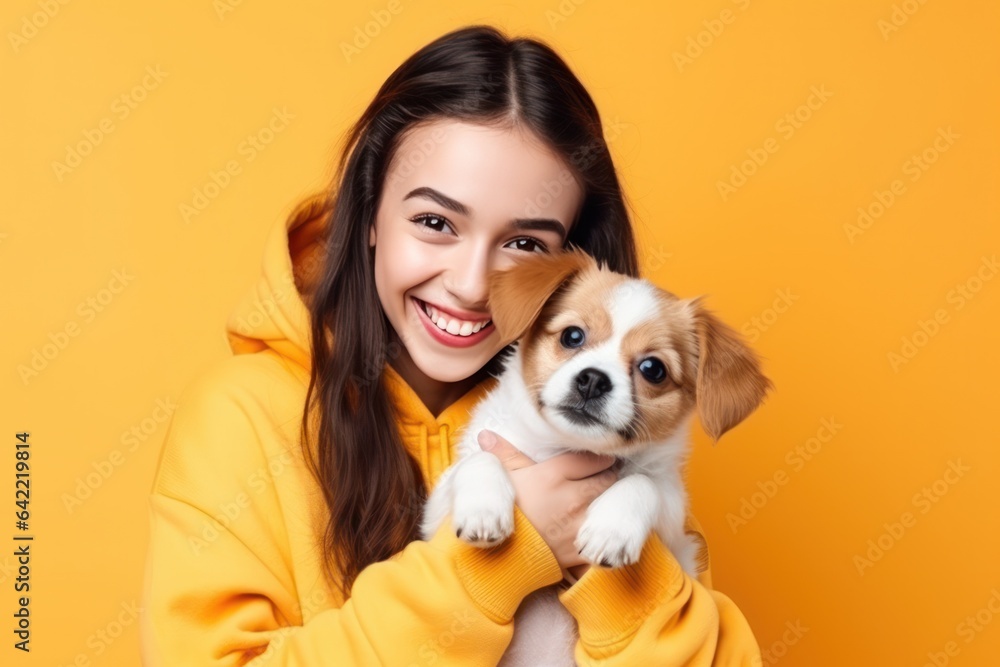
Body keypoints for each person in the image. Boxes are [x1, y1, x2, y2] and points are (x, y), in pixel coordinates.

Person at [140, 24, 763, 666]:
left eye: (523, 244)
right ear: (370, 213)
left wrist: (596, 560)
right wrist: (505, 559)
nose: (470, 286)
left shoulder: (608, 441)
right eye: (435, 222)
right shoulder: (241, 418)